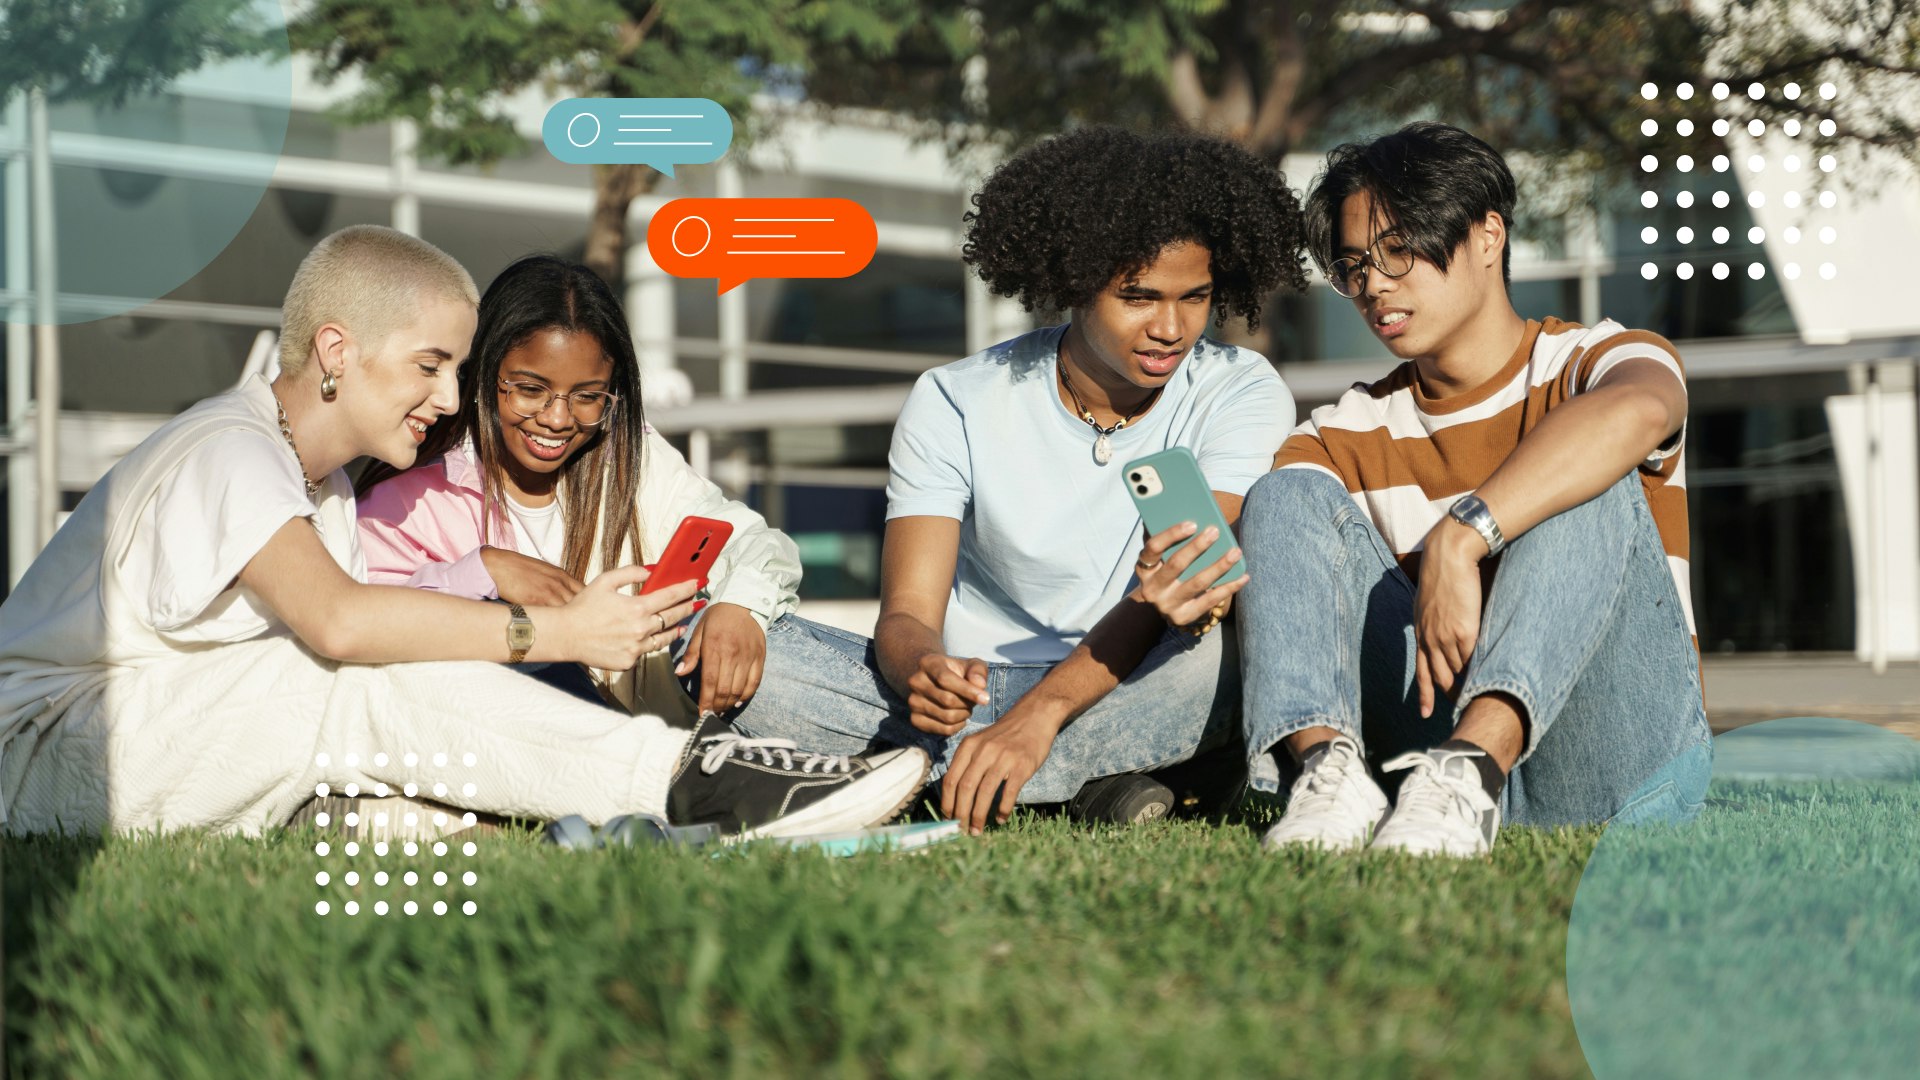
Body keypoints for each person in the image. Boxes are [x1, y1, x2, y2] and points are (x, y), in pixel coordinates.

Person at [0, 225, 927, 839]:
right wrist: (554, 631)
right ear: (336, 351)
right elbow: (343, 626)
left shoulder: (310, 483)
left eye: (456, 369)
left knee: (397, 760)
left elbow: (369, 621)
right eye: (431, 366)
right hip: (40, 748)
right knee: (348, 681)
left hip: (145, 726)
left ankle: (655, 806)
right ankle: (708, 786)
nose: (449, 398)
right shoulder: (229, 450)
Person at [720, 125, 1310, 834]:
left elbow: (1178, 597)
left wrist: (1038, 718)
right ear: (1072, 279)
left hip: (1130, 678)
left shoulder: (1240, 390)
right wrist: (923, 673)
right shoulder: (955, 397)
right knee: (744, 654)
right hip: (972, 686)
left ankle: (910, 774)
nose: (1171, 327)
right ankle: (1091, 784)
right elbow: (906, 613)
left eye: (1195, 298)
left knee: (1230, 661)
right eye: (1139, 296)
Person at [1237, 122, 1712, 858]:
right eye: (1354, 264)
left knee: (1588, 470)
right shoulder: (1351, 426)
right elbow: (1278, 537)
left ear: (1488, 236)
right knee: (1285, 493)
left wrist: (1464, 535)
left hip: (1615, 748)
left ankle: (1473, 766)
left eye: (1399, 249)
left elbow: (1641, 410)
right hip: (1417, 762)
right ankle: (1328, 779)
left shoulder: (1597, 358)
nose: (1373, 285)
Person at [356, 253, 798, 723]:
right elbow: (361, 624)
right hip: (520, 746)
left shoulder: (628, 457)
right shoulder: (407, 501)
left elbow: (753, 539)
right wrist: (483, 572)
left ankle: (882, 753)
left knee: (768, 636)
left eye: (588, 397)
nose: (558, 419)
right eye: (530, 389)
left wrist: (739, 608)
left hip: (673, 736)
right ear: (484, 375)